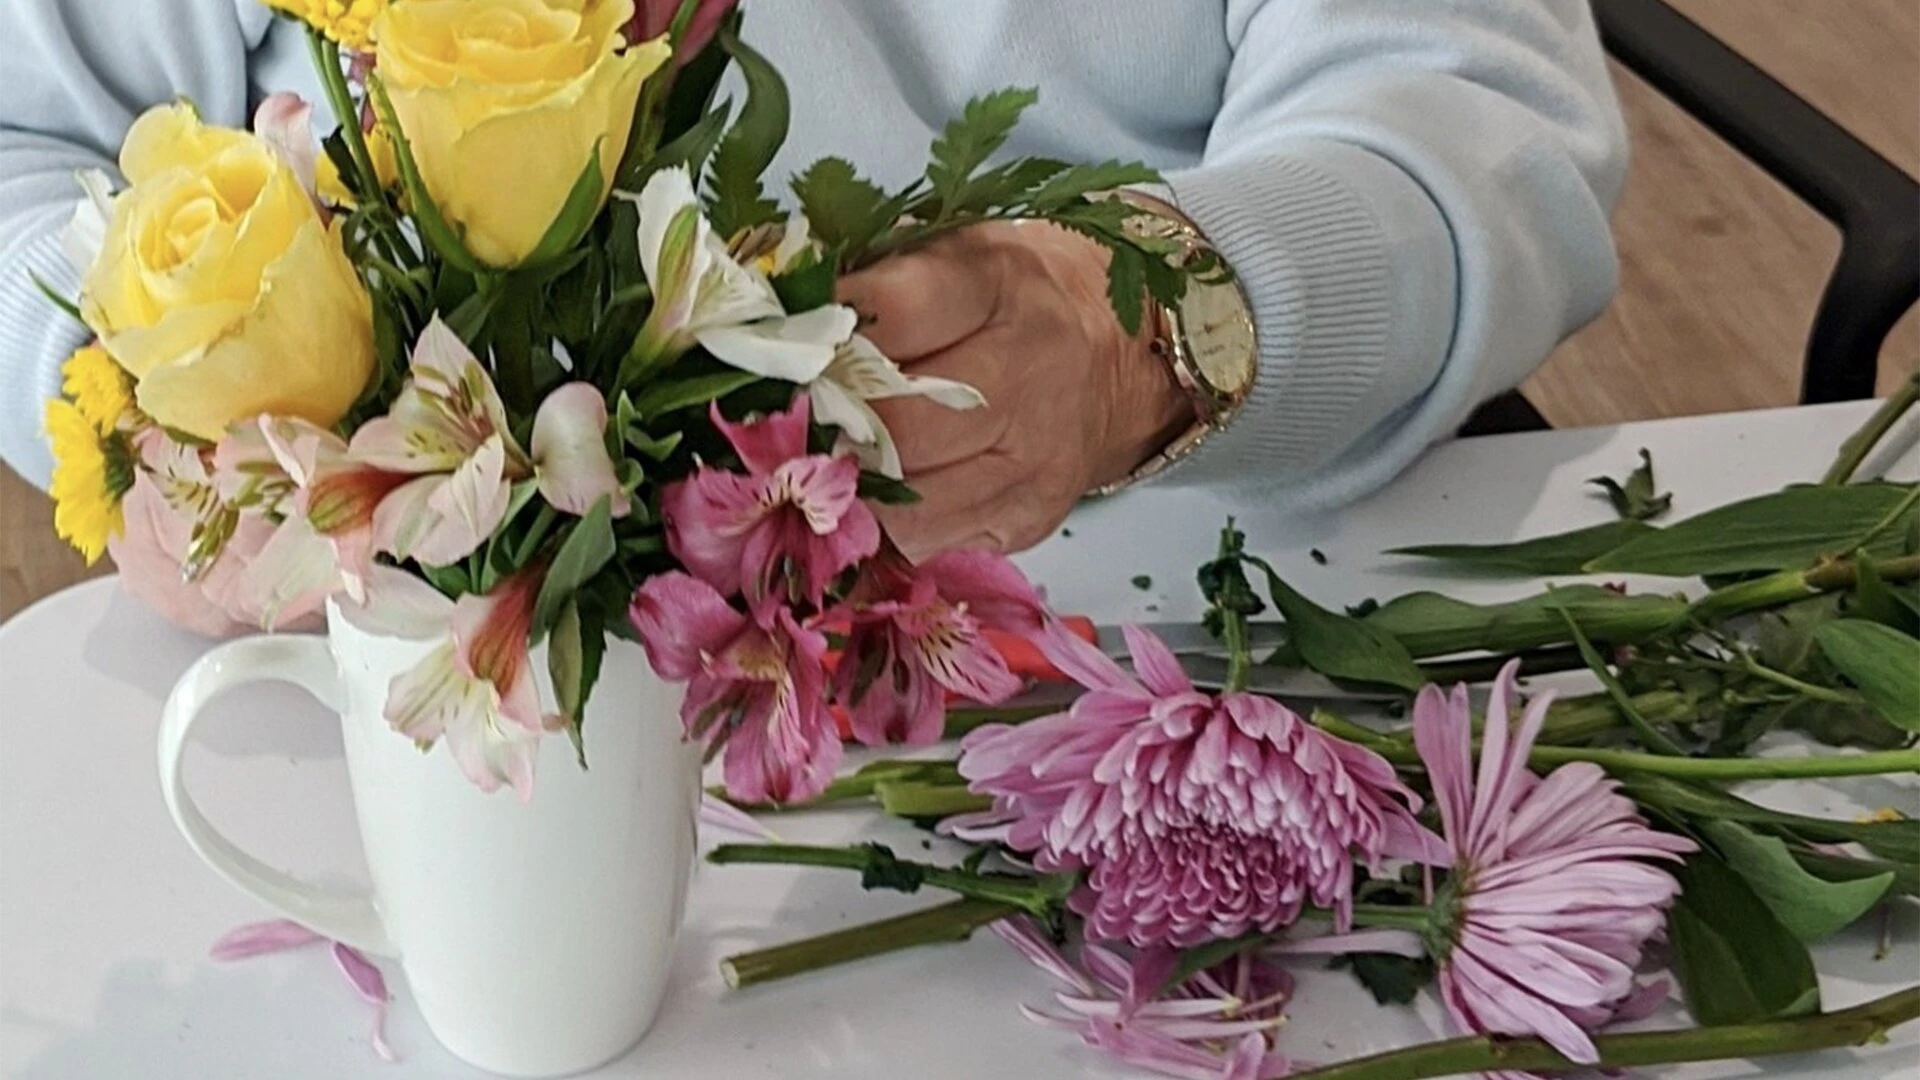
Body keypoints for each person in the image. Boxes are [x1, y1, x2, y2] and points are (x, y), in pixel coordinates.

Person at [1, 0, 1626, 561]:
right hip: (436, 677)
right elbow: (21, 138)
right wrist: (147, 435)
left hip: (1176, 592)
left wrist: (1149, 330)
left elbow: (1469, 110)